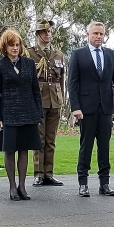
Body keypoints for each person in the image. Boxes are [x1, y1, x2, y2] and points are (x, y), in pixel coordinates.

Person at [68, 21, 114, 197]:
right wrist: (75, 107)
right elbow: (72, 84)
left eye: (101, 34)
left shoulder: (110, 55)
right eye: (95, 33)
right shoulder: (78, 55)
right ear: (88, 35)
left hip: (106, 108)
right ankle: (83, 183)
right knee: (86, 147)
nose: (99, 36)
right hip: (86, 109)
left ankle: (104, 183)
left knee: (104, 147)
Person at [0, 29, 43, 201]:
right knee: (9, 150)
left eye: (17, 44)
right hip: (9, 115)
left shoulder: (29, 64)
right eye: (11, 45)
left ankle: (22, 186)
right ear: (4, 47)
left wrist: (38, 114)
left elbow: (36, 90)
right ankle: (12, 186)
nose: (15, 48)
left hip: (28, 113)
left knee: (24, 149)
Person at [27, 19, 65, 187]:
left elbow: (61, 79)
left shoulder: (58, 54)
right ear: (37, 34)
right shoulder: (29, 53)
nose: (47, 35)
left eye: (49, 32)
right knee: (39, 139)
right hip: (38, 100)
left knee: (51, 139)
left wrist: (62, 98)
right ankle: (38, 173)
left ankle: (49, 173)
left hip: (55, 100)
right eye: (44, 32)